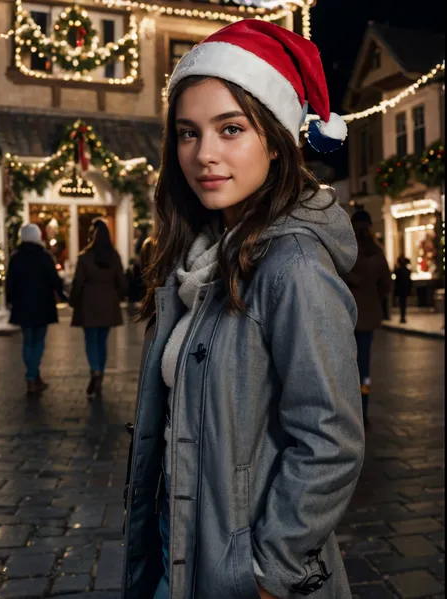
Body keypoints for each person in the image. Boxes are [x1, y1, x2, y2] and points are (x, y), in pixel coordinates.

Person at [121, 21, 364, 599]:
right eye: (187, 132)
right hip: (178, 544)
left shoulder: (293, 266)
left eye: (231, 129)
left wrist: (267, 572)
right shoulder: (202, 257)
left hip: (242, 569)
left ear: (277, 138)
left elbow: (330, 440)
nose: (203, 154)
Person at [344, 209, 392, 429]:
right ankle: (363, 411)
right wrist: (373, 299)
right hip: (368, 318)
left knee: (344, 367)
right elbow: (386, 286)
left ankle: (349, 411)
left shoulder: (346, 251)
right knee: (364, 370)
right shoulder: (377, 254)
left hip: (346, 318)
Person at [6, 223, 66, 396]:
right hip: (42, 305)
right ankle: (32, 376)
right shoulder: (44, 256)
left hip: (23, 306)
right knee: (38, 342)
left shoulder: (16, 257)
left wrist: (11, 300)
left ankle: (33, 375)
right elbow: (55, 280)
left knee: (28, 341)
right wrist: (62, 295)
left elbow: (10, 283)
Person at [69, 219, 127, 398]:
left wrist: (73, 300)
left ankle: (95, 370)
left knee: (91, 341)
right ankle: (100, 372)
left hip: (88, 304)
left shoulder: (85, 257)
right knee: (102, 341)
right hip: (108, 304)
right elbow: (122, 282)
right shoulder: (113, 256)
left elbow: (78, 282)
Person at [394, 255, 412, 323]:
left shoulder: (398, 271)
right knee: (403, 303)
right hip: (404, 289)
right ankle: (403, 317)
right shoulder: (407, 271)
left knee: (402, 303)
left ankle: (402, 317)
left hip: (401, 289)